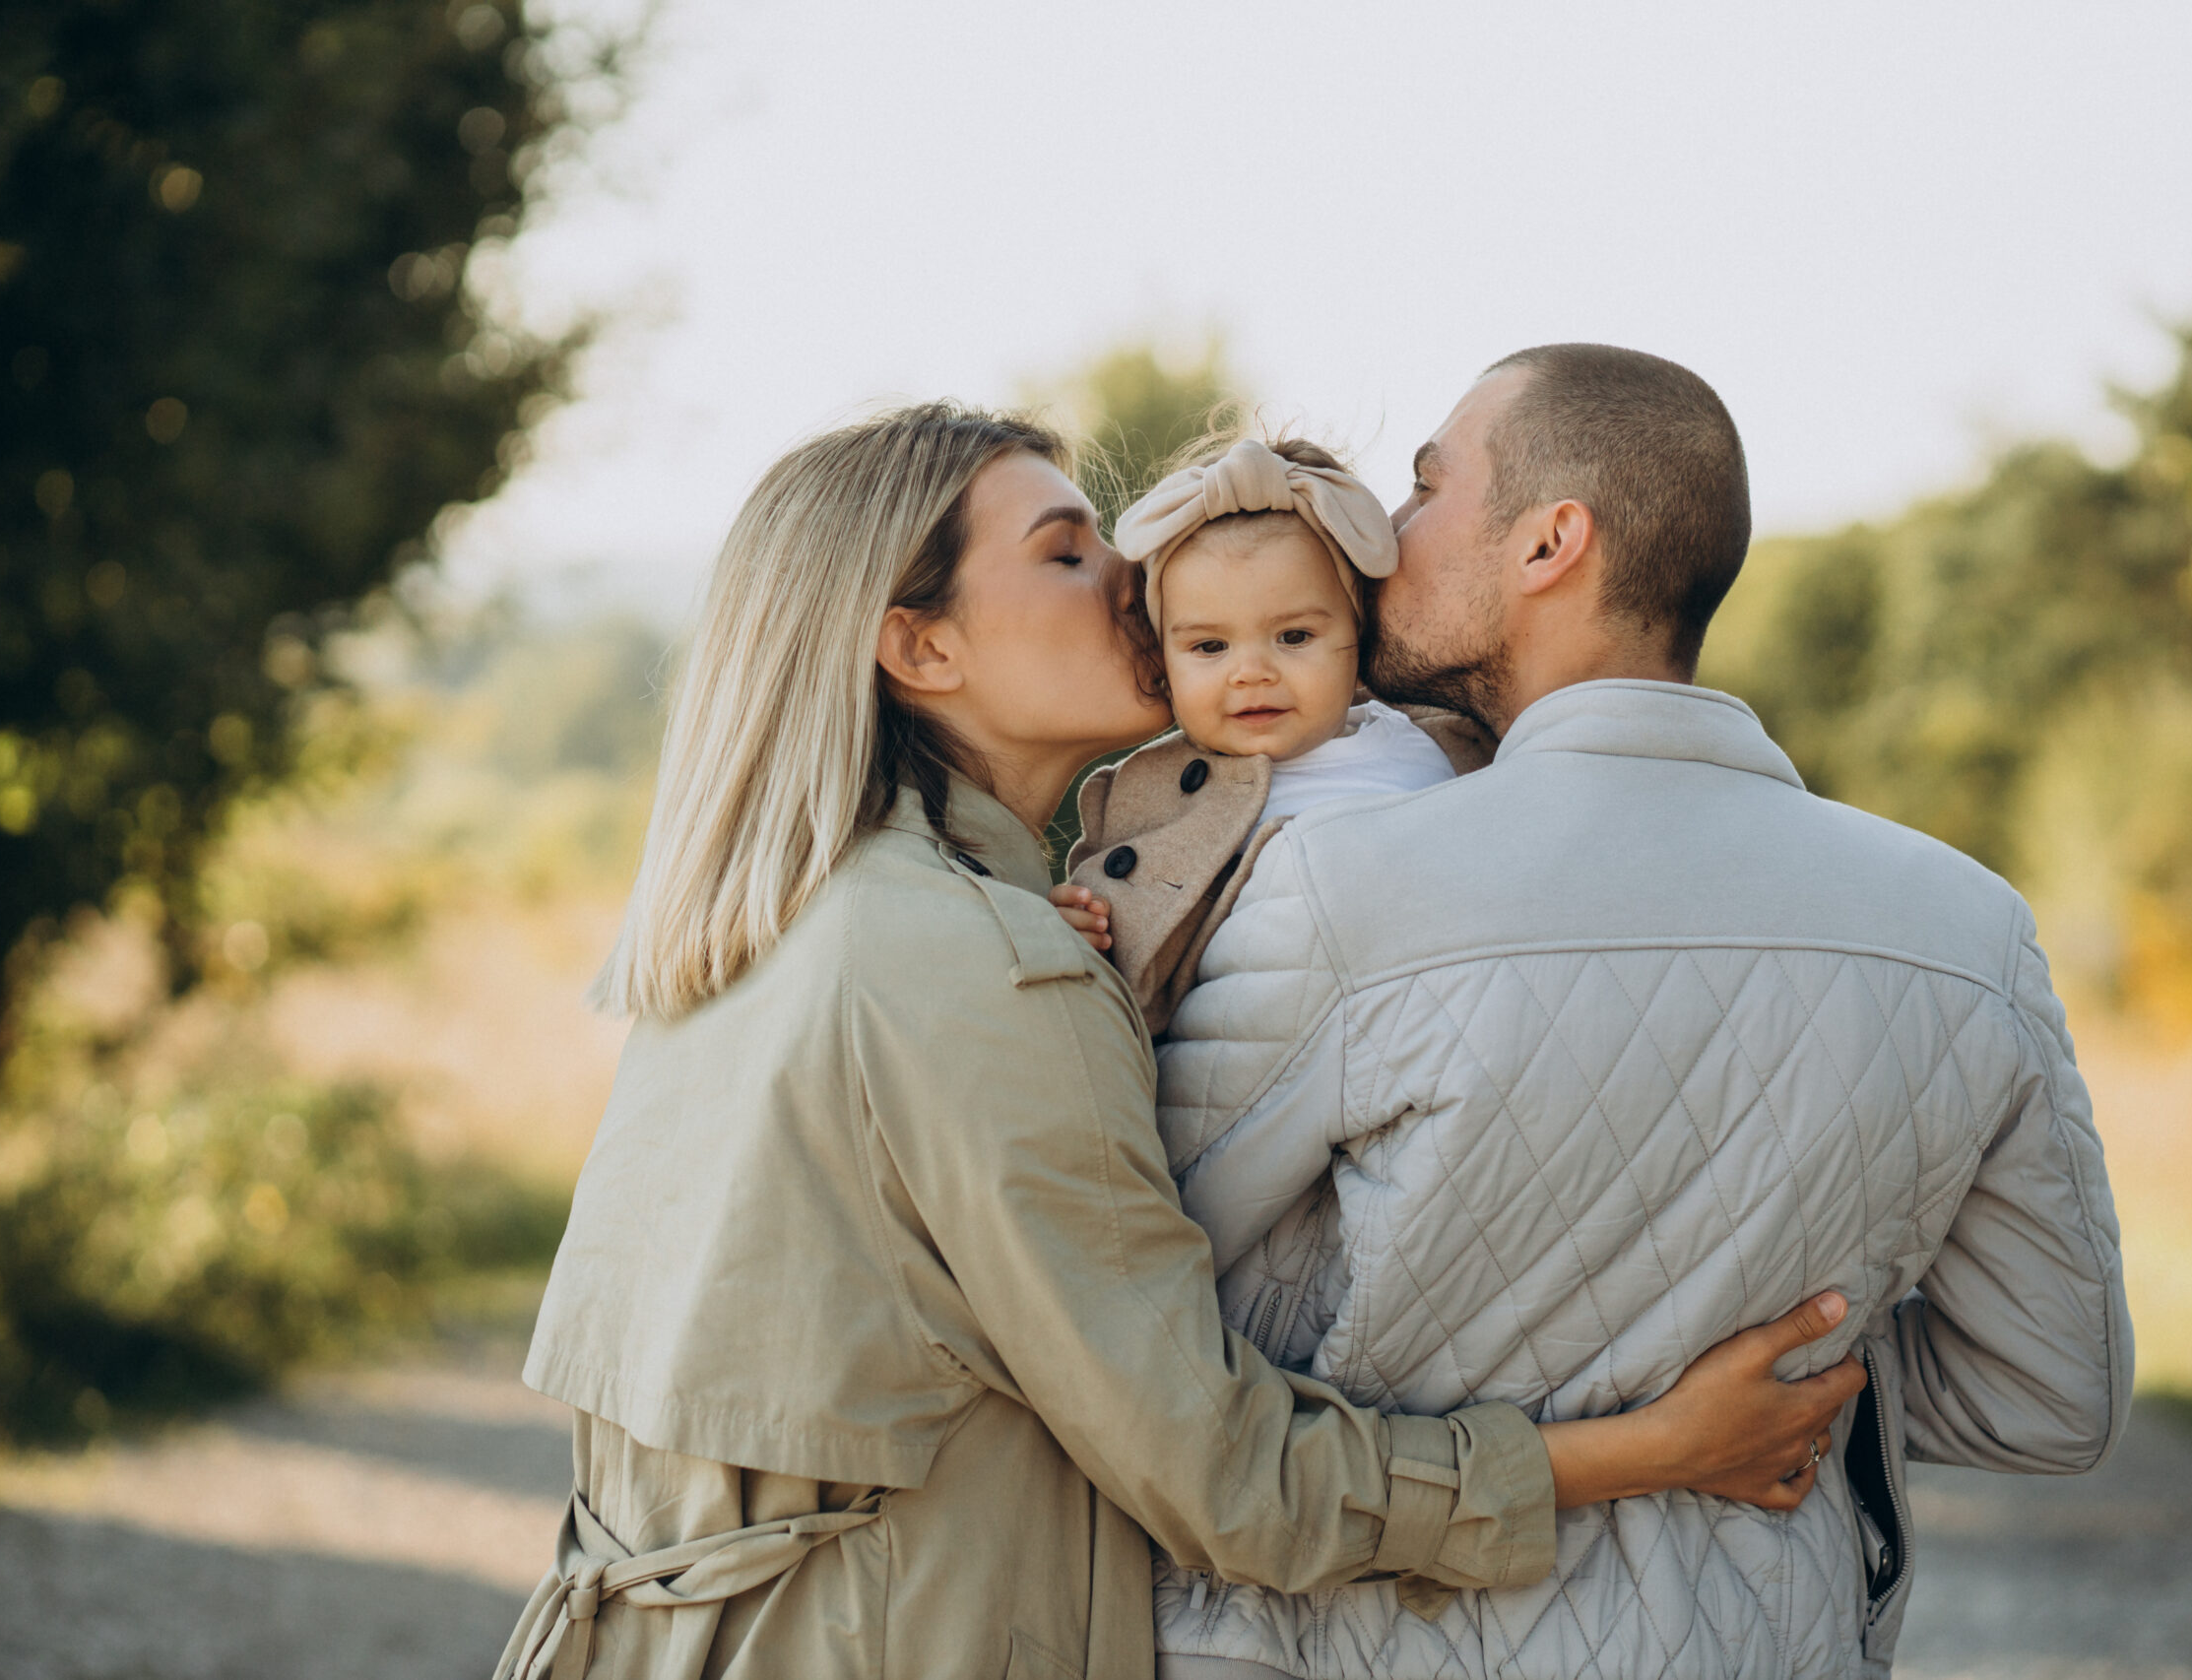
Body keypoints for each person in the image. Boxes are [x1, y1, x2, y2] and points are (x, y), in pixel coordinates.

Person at [493, 402, 1869, 1680]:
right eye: (1066, 549)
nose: (1133, 575)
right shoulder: (975, 964)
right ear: (921, 646)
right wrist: (1650, 1448)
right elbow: (1224, 1475)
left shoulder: (787, 918)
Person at [1149, 347, 2134, 1680]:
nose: (1381, 540)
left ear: (1552, 541)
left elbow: (1146, 1295)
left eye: (1429, 490)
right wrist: (1754, 1381)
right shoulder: (1967, 928)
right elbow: (2049, 1398)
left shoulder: (1335, 890)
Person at [1048, 433, 1488, 1033]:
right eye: (1209, 646)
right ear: (1164, 659)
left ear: (1358, 632)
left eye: (1294, 637)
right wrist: (1077, 936)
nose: (1251, 672)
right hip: (1242, 1069)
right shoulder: (1141, 798)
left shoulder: (1448, 744)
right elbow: (1121, 990)